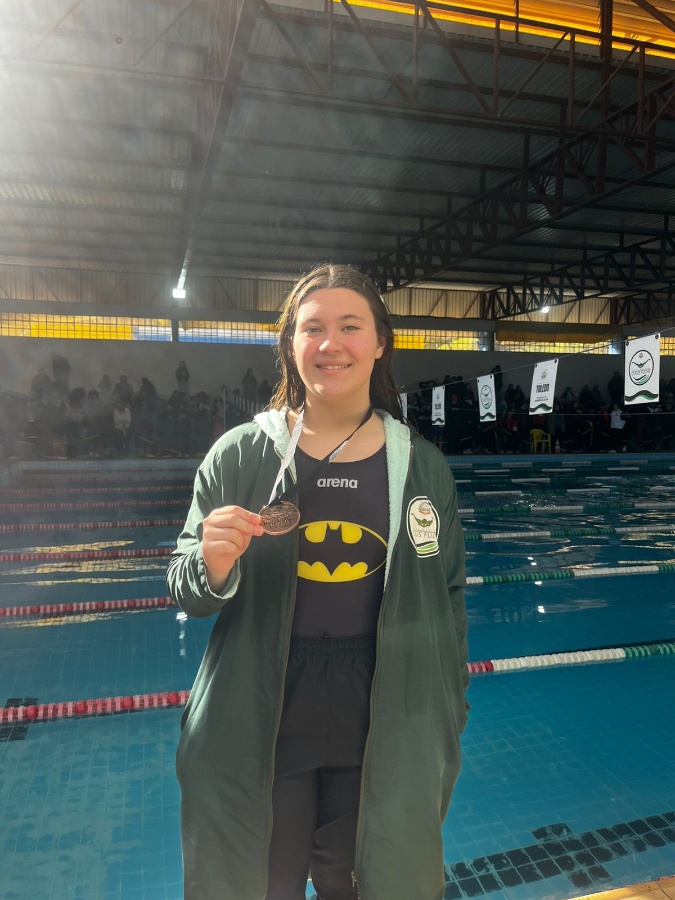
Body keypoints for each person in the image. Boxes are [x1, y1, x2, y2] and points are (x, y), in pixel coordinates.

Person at [167, 264, 469, 900]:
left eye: (350, 326)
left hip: (383, 703)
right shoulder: (241, 454)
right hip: (264, 700)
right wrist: (211, 566)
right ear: (291, 344)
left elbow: (448, 596)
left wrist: (450, 705)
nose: (331, 344)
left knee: (363, 881)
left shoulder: (422, 466)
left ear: (380, 343)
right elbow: (185, 587)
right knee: (262, 883)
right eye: (312, 329)